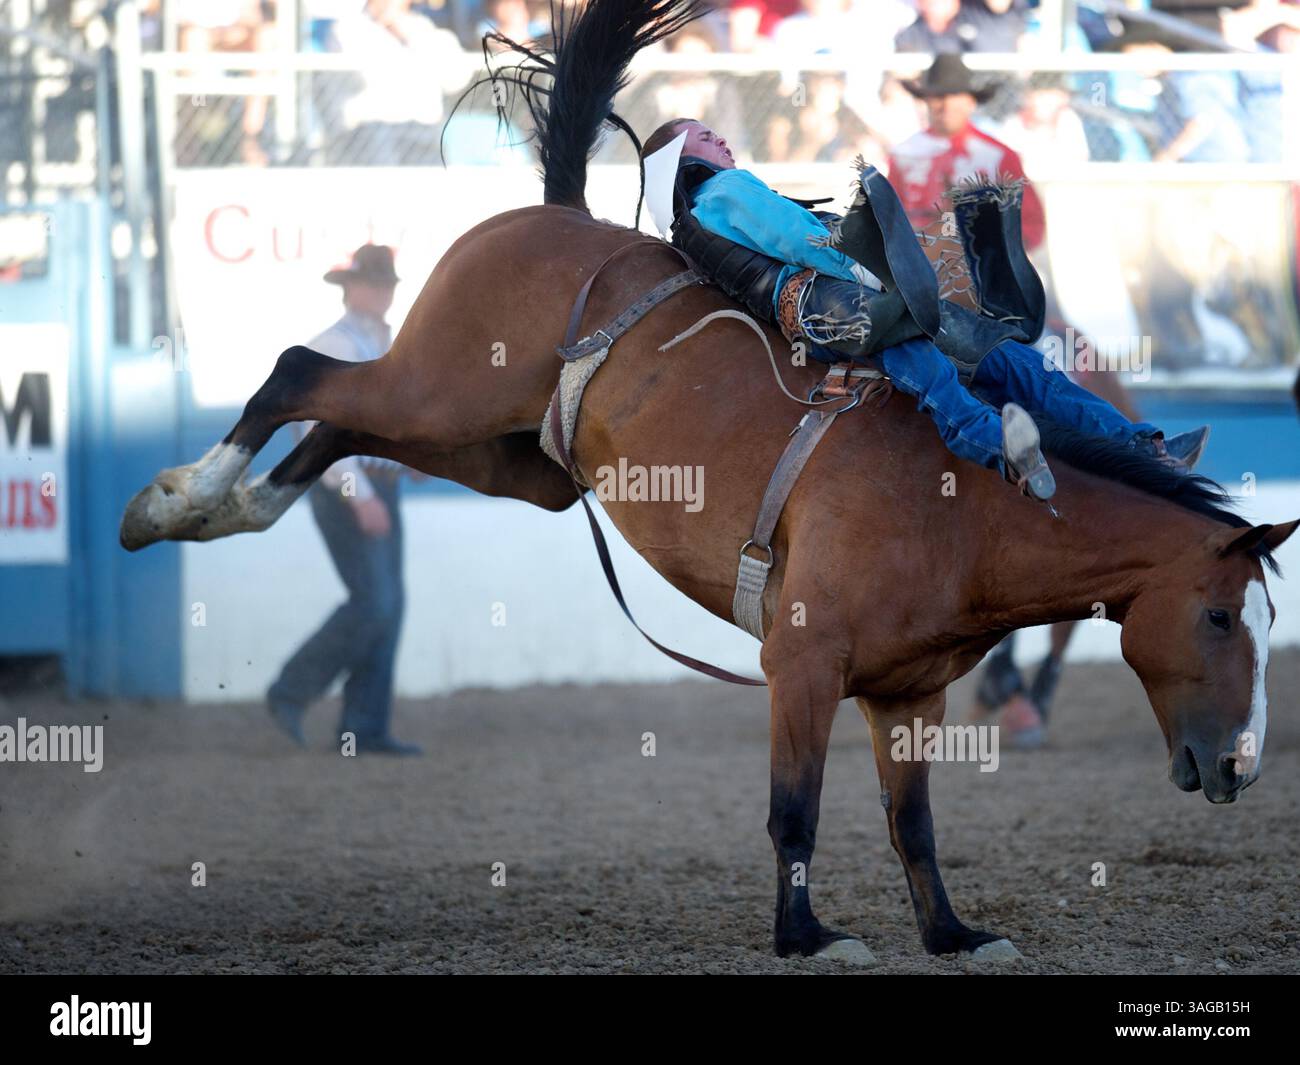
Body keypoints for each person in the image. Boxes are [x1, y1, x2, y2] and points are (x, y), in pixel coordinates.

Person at [640, 118, 1208, 502]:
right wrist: (868, 269)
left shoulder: (696, 222)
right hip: (825, 300)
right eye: (705, 138)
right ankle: (1131, 447)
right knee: (992, 360)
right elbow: (796, 238)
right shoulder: (727, 190)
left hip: (821, 306)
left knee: (981, 359)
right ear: (681, 158)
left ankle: (1082, 451)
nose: (721, 142)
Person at [266, 244, 422, 756]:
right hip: (350, 489)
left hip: (377, 486)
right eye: (373, 283)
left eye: (385, 284)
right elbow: (320, 432)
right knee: (376, 602)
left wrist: (408, 463)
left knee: (385, 606)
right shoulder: (336, 345)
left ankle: (362, 727)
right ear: (351, 289)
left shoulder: (382, 344)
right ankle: (292, 691)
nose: (379, 292)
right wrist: (360, 498)